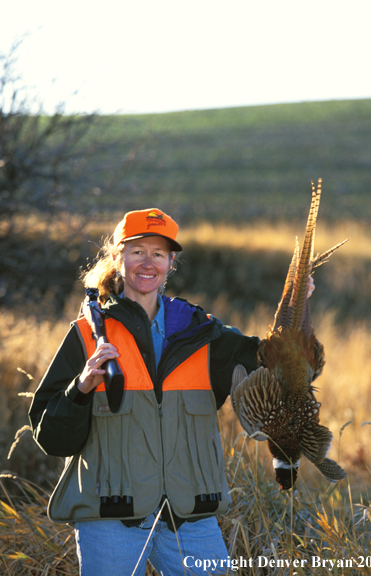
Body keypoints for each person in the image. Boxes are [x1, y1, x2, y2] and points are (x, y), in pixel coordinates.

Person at [29, 208, 314, 576]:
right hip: (110, 521)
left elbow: (281, 366)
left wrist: (299, 304)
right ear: (117, 258)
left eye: (159, 254)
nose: (147, 263)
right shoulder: (86, 335)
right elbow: (52, 439)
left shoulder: (204, 333)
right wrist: (81, 386)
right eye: (137, 252)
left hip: (190, 521)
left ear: (171, 262)